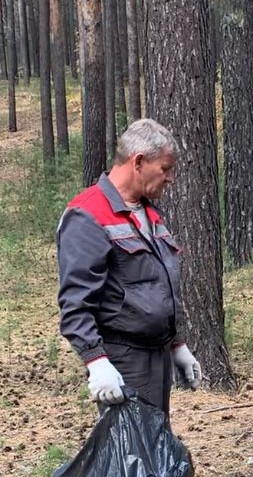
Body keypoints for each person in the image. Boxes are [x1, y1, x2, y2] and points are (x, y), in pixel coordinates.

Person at [57, 118, 201, 417]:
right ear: (138, 162)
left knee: (153, 451)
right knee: (130, 458)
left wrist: (177, 346)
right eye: (165, 168)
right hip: (123, 360)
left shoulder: (148, 213)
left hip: (156, 356)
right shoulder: (88, 215)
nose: (170, 178)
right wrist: (96, 362)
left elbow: (157, 286)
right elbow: (75, 304)